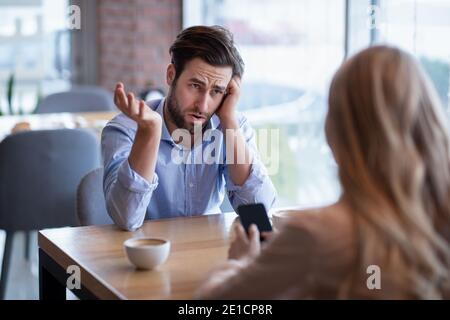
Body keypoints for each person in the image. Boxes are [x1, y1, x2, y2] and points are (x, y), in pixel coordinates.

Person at [196, 45, 450, 299]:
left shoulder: (315, 234)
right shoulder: (437, 219)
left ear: (335, 132)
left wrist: (242, 264)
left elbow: (208, 301)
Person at [101, 25, 276, 231]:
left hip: (209, 252)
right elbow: (126, 219)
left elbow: (259, 213)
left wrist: (228, 119)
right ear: (171, 75)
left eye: (216, 91)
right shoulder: (124, 129)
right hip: (146, 255)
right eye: (195, 86)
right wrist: (150, 132)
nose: (203, 106)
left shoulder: (231, 125)